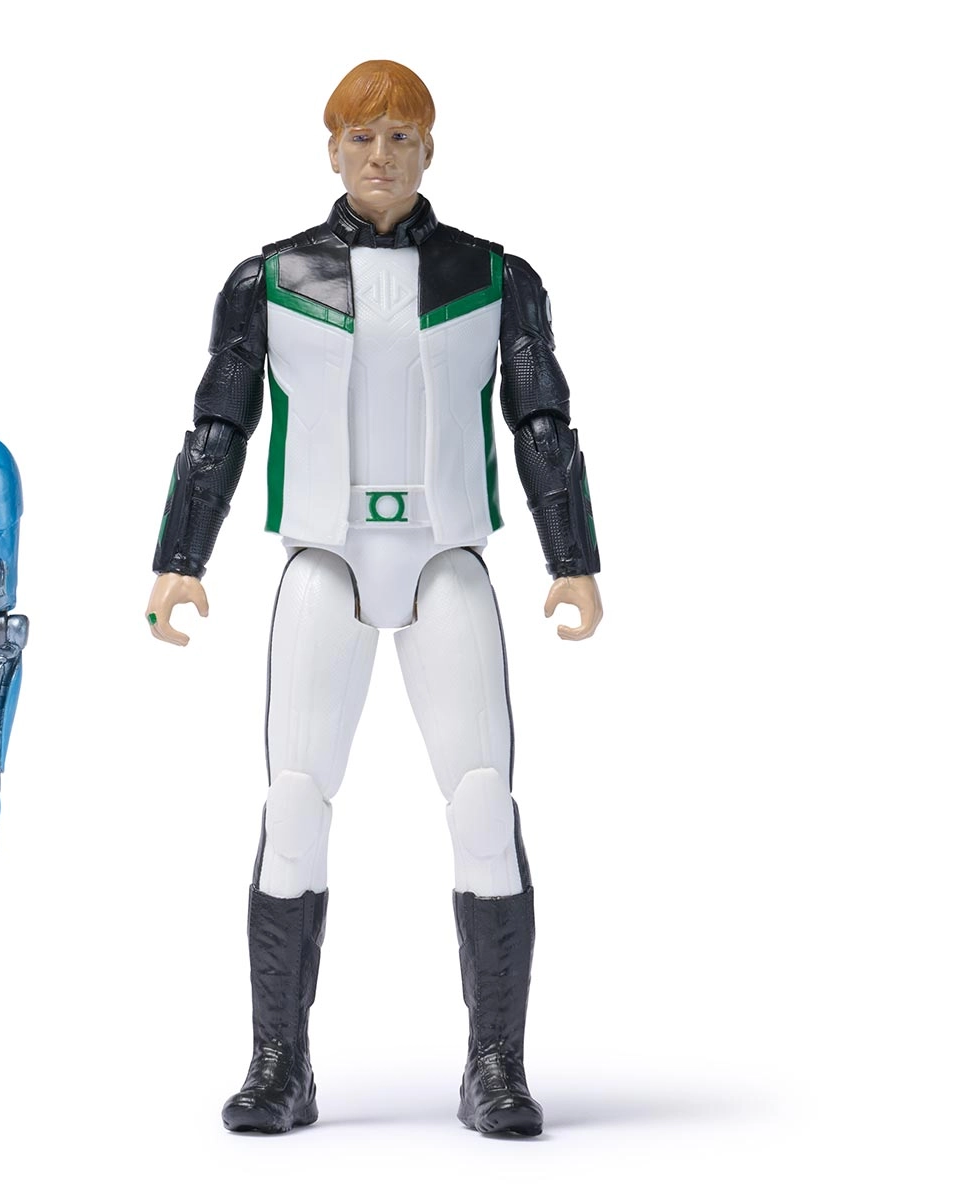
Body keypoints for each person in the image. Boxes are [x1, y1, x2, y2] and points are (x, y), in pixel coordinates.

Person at [145, 60, 602, 1136]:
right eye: (362, 138)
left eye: (401, 138)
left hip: (446, 556)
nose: (381, 157)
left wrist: (571, 559)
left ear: (429, 150)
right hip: (325, 557)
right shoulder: (270, 279)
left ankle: (495, 1064)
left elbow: (541, 422)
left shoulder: (495, 276)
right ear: (332, 149)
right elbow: (219, 424)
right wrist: (181, 556)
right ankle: (279, 1062)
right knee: (294, 804)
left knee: (483, 802)